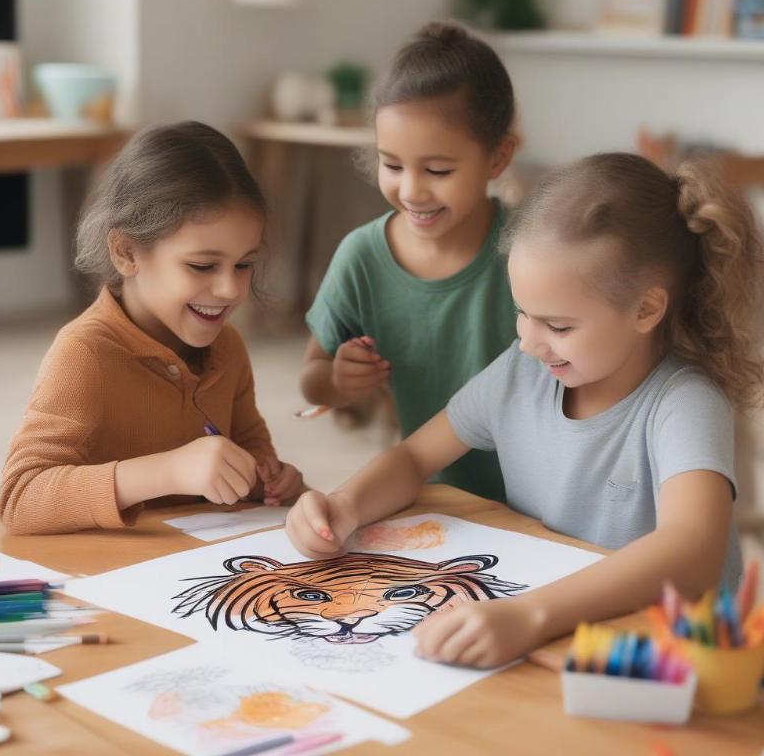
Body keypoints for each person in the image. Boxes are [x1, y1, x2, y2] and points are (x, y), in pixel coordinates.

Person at [286, 152, 764, 668]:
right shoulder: (525, 370)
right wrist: (345, 504)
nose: (530, 342)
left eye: (558, 326)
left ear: (646, 309)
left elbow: (692, 551)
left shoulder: (685, 401)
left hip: (674, 665)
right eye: (521, 313)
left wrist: (531, 615)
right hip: (557, 633)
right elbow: (414, 458)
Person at [0, 121, 304, 534]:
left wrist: (268, 477)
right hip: (107, 578)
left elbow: (251, 447)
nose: (230, 288)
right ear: (126, 252)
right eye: (202, 265)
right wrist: (167, 471)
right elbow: (20, 498)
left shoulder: (227, 348)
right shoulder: (84, 353)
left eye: (244, 264)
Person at [300, 21, 518, 501]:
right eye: (392, 165)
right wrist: (339, 381)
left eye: (437, 170)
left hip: (537, 500)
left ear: (498, 156)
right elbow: (312, 380)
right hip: (429, 495)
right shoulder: (361, 257)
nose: (412, 190)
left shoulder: (530, 250)